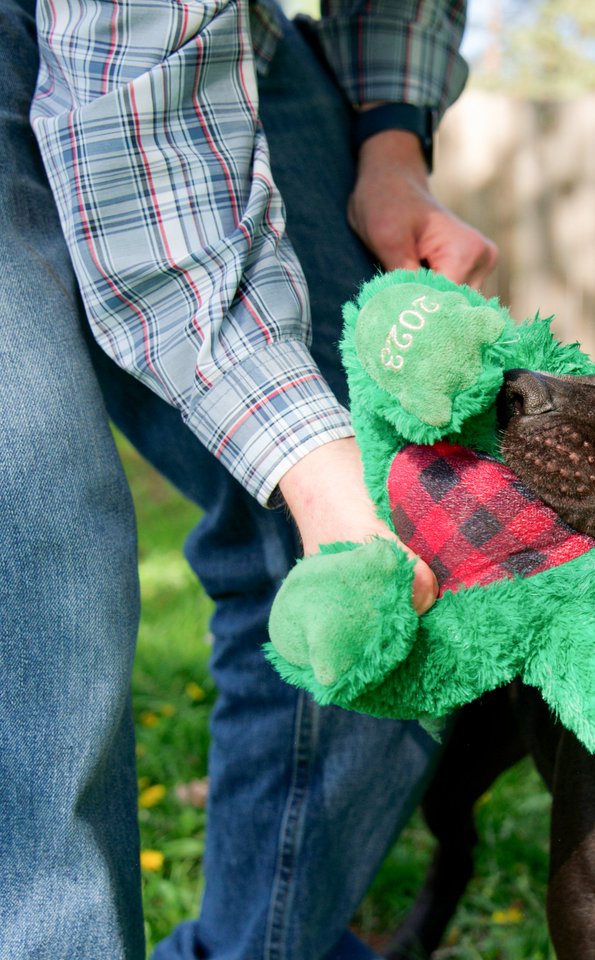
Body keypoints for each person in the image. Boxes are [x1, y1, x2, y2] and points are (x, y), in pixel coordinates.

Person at [0, 0, 496, 956]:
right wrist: (315, 473)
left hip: (227, 41)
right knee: (40, 563)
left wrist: (391, 150)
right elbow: (148, 176)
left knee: (412, 537)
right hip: (139, 45)